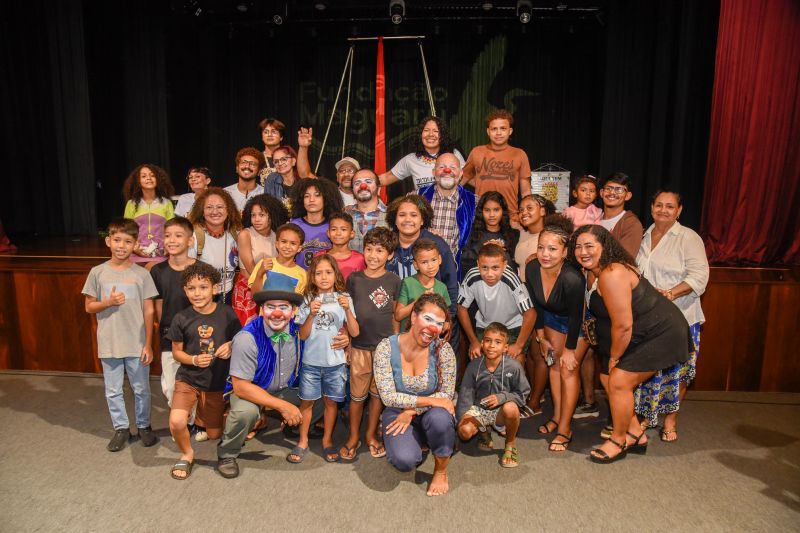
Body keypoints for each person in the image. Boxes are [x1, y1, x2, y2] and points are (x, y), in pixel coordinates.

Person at [571, 224, 691, 463]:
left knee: (618, 380)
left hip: (661, 331)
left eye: (589, 246)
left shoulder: (612, 273)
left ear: (604, 246)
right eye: (578, 246)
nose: (583, 251)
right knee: (607, 378)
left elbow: (623, 325)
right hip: (641, 331)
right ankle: (636, 433)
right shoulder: (594, 270)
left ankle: (618, 440)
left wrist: (615, 357)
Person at [215, 274, 350, 478]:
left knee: (322, 396)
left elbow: (330, 331)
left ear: (293, 310)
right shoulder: (247, 337)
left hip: (287, 388)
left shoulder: (300, 330)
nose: (277, 313)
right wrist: (283, 407)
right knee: (245, 413)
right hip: (252, 391)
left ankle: (293, 427)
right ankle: (227, 452)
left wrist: (346, 337)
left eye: (283, 307)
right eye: (271, 306)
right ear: (262, 309)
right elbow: (241, 386)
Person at [635, 191, 709, 442]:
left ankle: (670, 420)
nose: (663, 210)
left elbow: (699, 277)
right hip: (647, 317)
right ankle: (648, 415)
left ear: (679, 211)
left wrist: (670, 293)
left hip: (681, 317)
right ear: (651, 208)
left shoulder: (689, 238)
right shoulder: (643, 236)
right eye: (659, 205)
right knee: (650, 370)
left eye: (670, 206)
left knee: (677, 372)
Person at [82, 217, 158, 452]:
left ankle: (144, 425)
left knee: (141, 388)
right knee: (113, 389)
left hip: (137, 343)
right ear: (108, 241)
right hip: (110, 342)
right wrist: (108, 302)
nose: (121, 246)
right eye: (117, 240)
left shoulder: (142, 274)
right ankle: (121, 428)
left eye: (127, 241)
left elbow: (149, 310)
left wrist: (148, 343)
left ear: (135, 244)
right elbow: (89, 306)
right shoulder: (97, 272)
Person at [374, 294, 457, 497]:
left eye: (439, 323)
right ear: (413, 317)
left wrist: (412, 411)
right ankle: (421, 439)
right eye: (428, 319)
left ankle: (441, 470)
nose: (433, 328)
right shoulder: (385, 347)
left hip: (431, 412)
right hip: (398, 410)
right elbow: (388, 397)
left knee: (440, 420)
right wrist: (429, 400)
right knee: (404, 460)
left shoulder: (443, 350)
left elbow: (446, 395)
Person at [167, 262, 241, 480]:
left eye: (203, 287)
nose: (197, 293)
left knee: (214, 434)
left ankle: (204, 415)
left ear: (215, 289)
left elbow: (240, 339)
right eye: (191, 288)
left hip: (216, 382)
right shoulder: (180, 318)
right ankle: (186, 454)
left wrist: (231, 345)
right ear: (185, 291)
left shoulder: (227, 313)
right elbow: (177, 353)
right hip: (188, 379)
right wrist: (193, 359)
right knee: (177, 421)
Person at [524, 215, 587, 451]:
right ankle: (557, 417)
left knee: (568, 369)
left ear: (564, 252)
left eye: (552, 249)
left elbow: (576, 317)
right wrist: (541, 338)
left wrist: (570, 350)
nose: (545, 254)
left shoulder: (572, 278)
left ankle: (565, 428)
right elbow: (537, 306)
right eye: (541, 247)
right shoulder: (532, 268)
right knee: (553, 365)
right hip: (550, 317)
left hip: (576, 323)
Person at [340, 227, 401, 461]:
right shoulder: (354, 279)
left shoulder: (394, 281)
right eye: (369, 249)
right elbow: (347, 315)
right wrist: (348, 344)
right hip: (359, 348)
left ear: (390, 255)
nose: (373, 255)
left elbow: (396, 316)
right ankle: (353, 436)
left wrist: (395, 346)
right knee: (357, 396)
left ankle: (371, 434)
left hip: (384, 349)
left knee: (377, 395)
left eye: (380, 250)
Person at [290, 255, 359, 463]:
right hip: (310, 362)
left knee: (331, 403)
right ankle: (303, 440)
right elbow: (302, 335)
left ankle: (327, 440)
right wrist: (311, 314)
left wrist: (347, 309)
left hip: (335, 364)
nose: (323, 277)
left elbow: (355, 332)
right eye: (318, 273)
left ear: (335, 274)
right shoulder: (307, 299)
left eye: (328, 272)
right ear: (312, 277)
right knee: (307, 403)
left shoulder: (344, 298)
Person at [385, 195, 460, 352]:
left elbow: (451, 283)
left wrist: (448, 318)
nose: (407, 219)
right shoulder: (387, 242)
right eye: (402, 215)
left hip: (432, 324)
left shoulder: (436, 245)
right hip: (395, 322)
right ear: (394, 219)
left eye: (414, 215)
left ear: (422, 219)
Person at [456, 322, 530, 468]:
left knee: (511, 408)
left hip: (500, 411)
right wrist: (461, 420)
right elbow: (465, 395)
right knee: (464, 431)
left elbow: (523, 393)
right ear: (482, 343)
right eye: (488, 341)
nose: (491, 346)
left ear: (506, 347)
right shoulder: (474, 366)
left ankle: (510, 445)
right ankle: (484, 431)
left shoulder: (514, 366)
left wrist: (502, 397)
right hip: (479, 409)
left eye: (498, 342)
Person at [457, 243, 535, 363]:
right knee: (478, 360)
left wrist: (518, 345)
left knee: (515, 362)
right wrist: (474, 341)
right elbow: (461, 307)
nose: (489, 274)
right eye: (484, 267)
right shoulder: (472, 276)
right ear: (478, 264)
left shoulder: (511, 279)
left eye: (495, 268)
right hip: (485, 325)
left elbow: (531, 313)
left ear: (504, 265)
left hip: (512, 326)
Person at [150, 217, 195, 412]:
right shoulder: (158, 271)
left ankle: (190, 421)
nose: (172, 240)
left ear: (190, 241)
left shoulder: (200, 269)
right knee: (170, 386)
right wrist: (164, 331)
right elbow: (159, 305)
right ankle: (180, 418)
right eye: (167, 236)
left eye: (178, 235)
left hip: (196, 336)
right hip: (170, 337)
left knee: (193, 382)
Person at [461, 109, 532, 226]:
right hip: (482, 216)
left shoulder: (520, 154)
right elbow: (463, 179)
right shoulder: (477, 152)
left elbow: (526, 192)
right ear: (488, 132)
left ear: (510, 131)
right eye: (494, 129)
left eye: (503, 128)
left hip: (511, 217)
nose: (498, 133)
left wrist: (526, 214)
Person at [416, 153, 477, 279]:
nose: (447, 171)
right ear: (433, 172)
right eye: (442, 167)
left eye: (453, 167)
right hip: (420, 273)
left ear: (460, 173)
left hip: (456, 273)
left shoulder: (474, 202)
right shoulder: (418, 197)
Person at [233, 194, 287, 325]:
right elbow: (251, 269)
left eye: (261, 215)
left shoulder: (276, 236)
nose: (256, 219)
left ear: (271, 216)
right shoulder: (245, 234)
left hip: (270, 288)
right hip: (247, 290)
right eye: (253, 215)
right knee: (248, 330)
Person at [379, 116, 466, 191]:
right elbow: (386, 178)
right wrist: (370, 179)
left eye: (436, 131)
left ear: (443, 135)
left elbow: (468, 176)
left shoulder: (453, 154)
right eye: (426, 130)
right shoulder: (411, 159)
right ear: (420, 134)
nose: (430, 134)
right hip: (422, 205)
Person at [187, 187, 241, 305]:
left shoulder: (236, 235)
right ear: (202, 211)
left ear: (228, 210)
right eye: (209, 207)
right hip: (202, 298)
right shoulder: (194, 236)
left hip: (229, 296)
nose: (215, 212)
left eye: (220, 207)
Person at [122, 164, 175, 268]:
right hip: (136, 253)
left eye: (152, 175)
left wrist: (168, 247)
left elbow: (172, 229)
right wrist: (135, 248)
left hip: (161, 254)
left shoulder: (167, 203)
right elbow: (127, 231)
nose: (149, 178)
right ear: (138, 181)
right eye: (144, 176)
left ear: (158, 179)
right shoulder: (131, 204)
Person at [395, 239, 452, 332]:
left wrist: (446, 323)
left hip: (430, 337)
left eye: (434, 260)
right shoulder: (408, 283)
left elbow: (446, 317)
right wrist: (419, 301)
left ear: (440, 259)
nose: (430, 266)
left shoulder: (442, 287)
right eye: (424, 262)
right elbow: (398, 316)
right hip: (408, 337)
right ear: (416, 265)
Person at [460, 191, 519, 276]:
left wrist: (500, 252)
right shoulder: (470, 232)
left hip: (505, 282)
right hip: (476, 281)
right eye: (487, 210)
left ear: (503, 211)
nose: (492, 215)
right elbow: (462, 261)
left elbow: (515, 267)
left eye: (496, 210)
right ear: (481, 212)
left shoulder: (513, 234)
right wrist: (484, 249)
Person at [290, 178, 344, 270]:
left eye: (317, 195)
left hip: (326, 277)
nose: (311, 200)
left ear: (326, 199)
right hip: (300, 277)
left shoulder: (333, 225)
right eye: (306, 196)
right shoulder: (294, 225)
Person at [248, 222, 307, 296]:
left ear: (299, 248)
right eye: (284, 242)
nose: (287, 246)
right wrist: (260, 273)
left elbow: (300, 301)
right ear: (277, 244)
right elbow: (254, 295)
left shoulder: (303, 274)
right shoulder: (264, 264)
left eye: (293, 243)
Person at [598, 172, 644, 257]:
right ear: (601, 192)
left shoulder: (631, 224)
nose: (612, 193)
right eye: (608, 188)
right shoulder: (592, 217)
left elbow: (624, 260)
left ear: (628, 196)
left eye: (619, 190)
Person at [344, 169, 388, 253]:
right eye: (357, 183)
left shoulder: (392, 215)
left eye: (368, 181)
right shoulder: (344, 216)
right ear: (352, 191)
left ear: (378, 188)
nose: (363, 186)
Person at [515, 194, 554, 282]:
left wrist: (538, 256)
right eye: (521, 210)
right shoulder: (519, 234)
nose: (524, 213)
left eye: (529, 208)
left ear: (542, 211)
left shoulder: (552, 236)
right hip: (522, 288)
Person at [316, 212, 365, 280]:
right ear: (328, 233)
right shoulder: (319, 256)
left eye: (343, 229)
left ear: (352, 234)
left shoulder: (360, 259)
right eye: (334, 229)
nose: (338, 233)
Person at [224, 147, 265, 213]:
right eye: (243, 162)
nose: (247, 166)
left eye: (253, 164)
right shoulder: (226, 193)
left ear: (259, 171)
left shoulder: (265, 193)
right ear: (237, 168)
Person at [262, 145, 302, 210]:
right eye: (276, 161)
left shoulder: (302, 178)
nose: (280, 163)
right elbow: (267, 206)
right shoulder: (271, 179)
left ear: (293, 161)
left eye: (284, 159)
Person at [257, 117, 286, 183]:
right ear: (262, 137)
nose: (269, 135)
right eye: (266, 132)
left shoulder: (288, 158)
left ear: (281, 137)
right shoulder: (257, 158)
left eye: (274, 132)